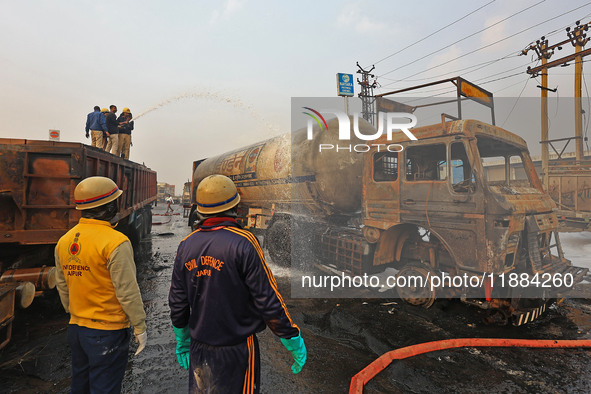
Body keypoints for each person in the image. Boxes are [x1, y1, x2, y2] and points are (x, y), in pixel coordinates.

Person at [169, 175, 306, 393]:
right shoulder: (244, 242)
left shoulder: (186, 245)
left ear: (200, 210)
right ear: (234, 206)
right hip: (238, 351)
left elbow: (177, 300)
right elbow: (267, 299)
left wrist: (183, 339)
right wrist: (291, 337)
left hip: (199, 347)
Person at [54, 176, 147, 393]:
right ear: (109, 206)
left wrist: (76, 312)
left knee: (80, 385)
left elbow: (62, 284)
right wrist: (140, 325)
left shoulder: (65, 240)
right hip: (107, 332)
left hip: (77, 329)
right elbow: (127, 291)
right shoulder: (115, 242)